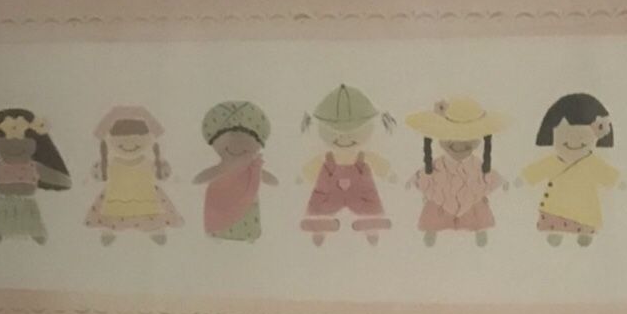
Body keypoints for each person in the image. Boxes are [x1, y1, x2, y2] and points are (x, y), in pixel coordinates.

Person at [299, 83, 395, 245]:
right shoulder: (326, 157)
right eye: (336, 133)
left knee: (369, 199)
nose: (344, 139)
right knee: (320, 199)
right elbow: (312, 166)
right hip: (331, 192)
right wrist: (303, 176)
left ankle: (372, 225)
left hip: (359, 191)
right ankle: (319, 225)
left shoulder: (363, 156)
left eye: (352, 132)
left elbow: (377, 163)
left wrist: (388, 174)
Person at [404, 96, 508, 246]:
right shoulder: (438, 165)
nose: (460, 144)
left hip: (470, 197)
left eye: (467, 137)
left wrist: (502, 181)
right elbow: (426, 173)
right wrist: (413, 180)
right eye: (451, 136)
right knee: (436, 204)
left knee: (476, 204)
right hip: (443, 196)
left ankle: (479, 229)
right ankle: (431, 230)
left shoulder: (477, 165)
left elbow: (488, 175)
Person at [518, 92, 618, 247]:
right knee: (557, 215)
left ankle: (583, 232)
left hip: (584, 206)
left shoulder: (592, 163)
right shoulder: (553, 161)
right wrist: (522, 180)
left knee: (585, 217)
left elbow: (608, 176)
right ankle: (556, 231)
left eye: (582, 136)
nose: (574, 142)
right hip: (556, 206)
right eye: (565, 137)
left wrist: (620, 183)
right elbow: (536, 171)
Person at [0, 108, 71, 245]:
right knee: (3, 222)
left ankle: (30, 235)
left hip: (26, 204)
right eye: (7, 142)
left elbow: (63, 180)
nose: (14, 146)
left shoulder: (32, 167)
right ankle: (1, 235)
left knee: (29, 222)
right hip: (6, 204)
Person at [85, 105, 181, 245]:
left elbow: (163, 173)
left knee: (150, 212)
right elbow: (98, 174)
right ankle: (109, 229)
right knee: (113, 212)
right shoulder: (111, 165)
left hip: (145, 196)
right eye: (121, 137)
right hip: (117, 196)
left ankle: (154, 229)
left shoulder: (149, 163)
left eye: (137, 136)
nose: (129, 142)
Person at [193, 100, 277, 241]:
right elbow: (207, 175)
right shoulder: (225, 167)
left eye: (247, 137)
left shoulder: (253, 167)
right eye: (231, 135)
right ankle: (220, 233)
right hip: (220, 201)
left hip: (248, 205)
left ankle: (246, 235)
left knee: (247, 221)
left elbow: (269, 179)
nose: (238, 144)